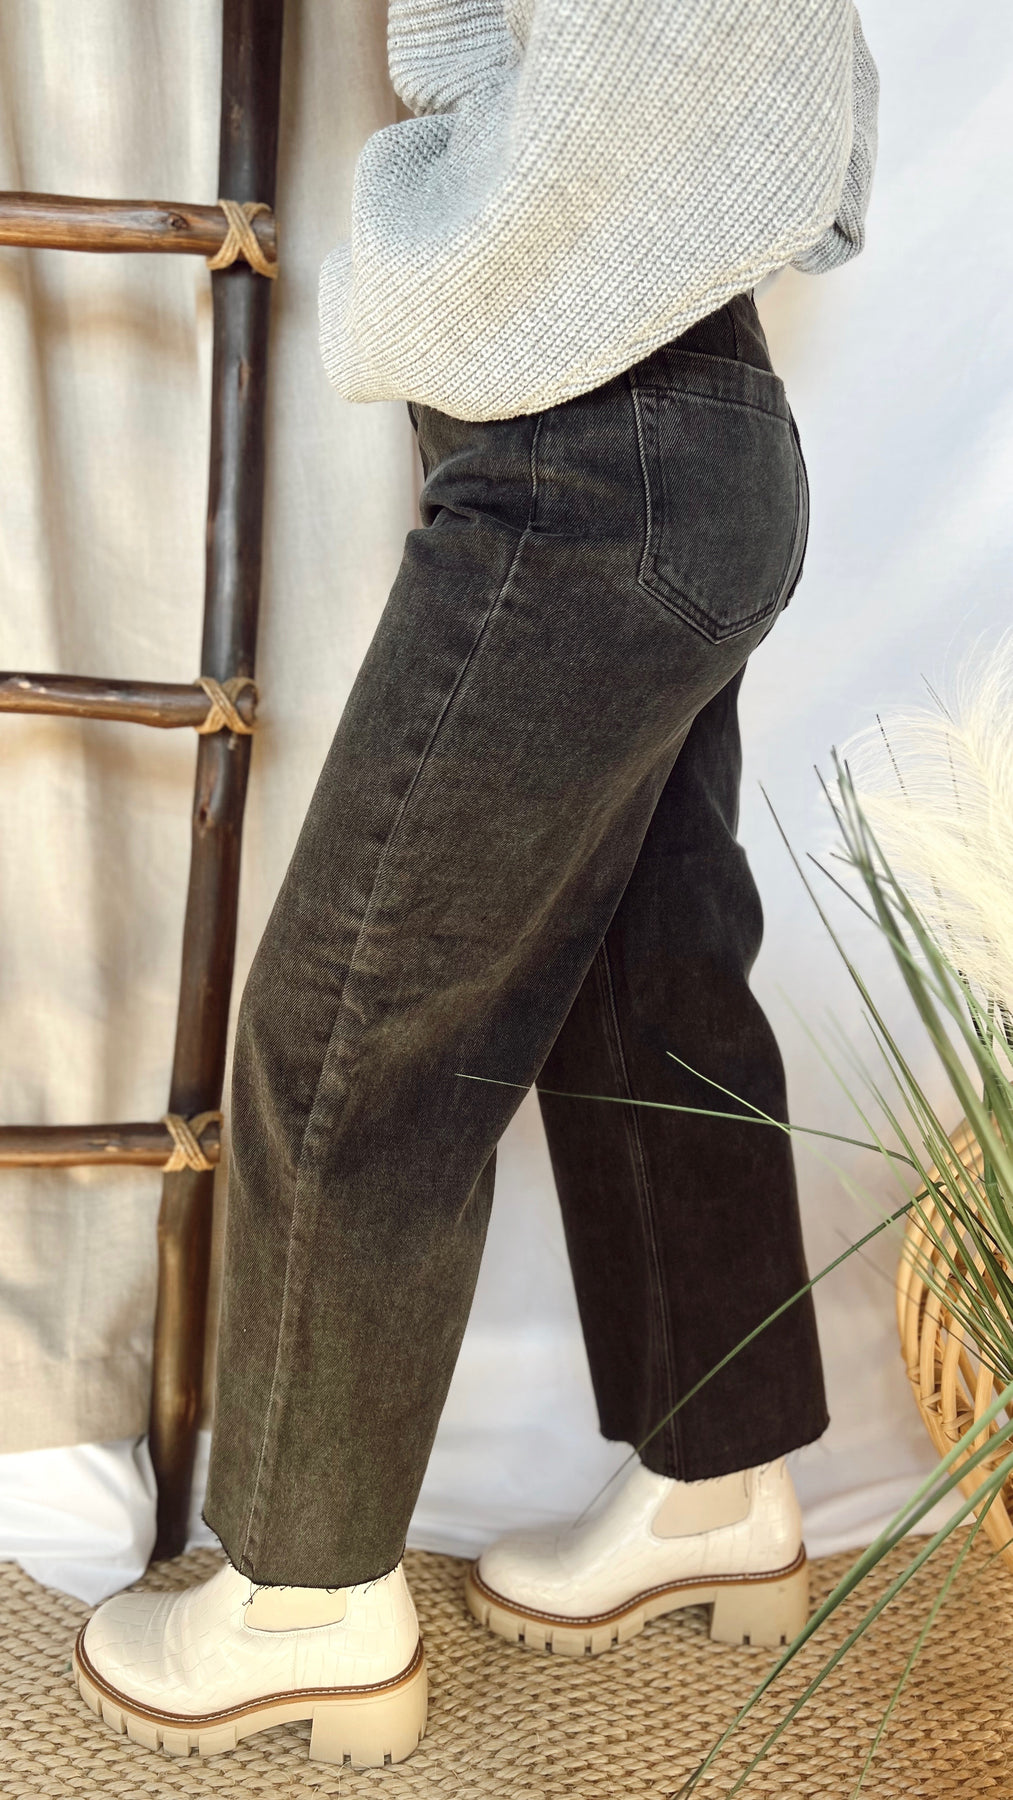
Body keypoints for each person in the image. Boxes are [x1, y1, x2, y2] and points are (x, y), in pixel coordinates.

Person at [73, 0, 879, 1769]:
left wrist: (445, 263)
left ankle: (302, 1606)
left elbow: (646, 85)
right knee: (646, 971)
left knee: (357, 1019)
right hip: (689, 441)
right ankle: (715, 1483)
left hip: (587, 464)